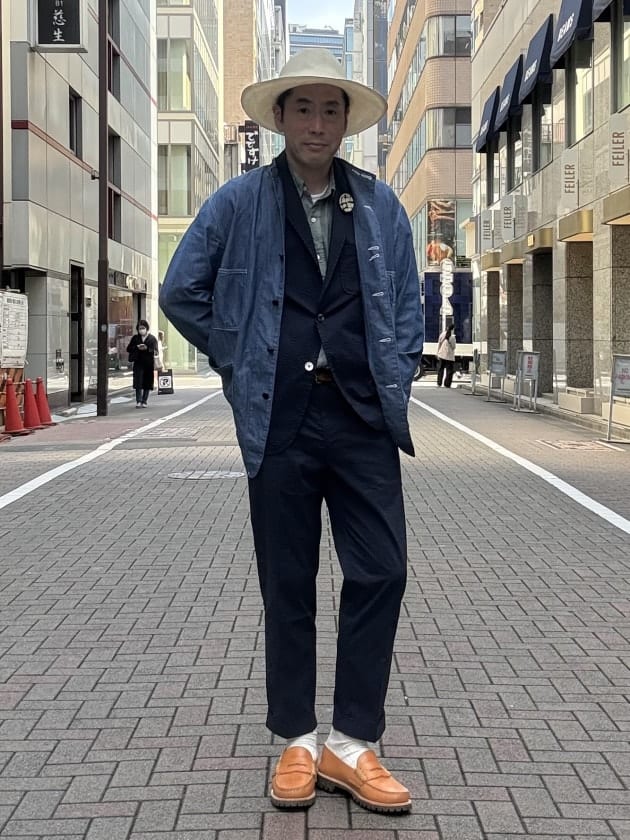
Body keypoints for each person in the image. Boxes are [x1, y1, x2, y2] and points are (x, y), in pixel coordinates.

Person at [159, 48, 423, 814]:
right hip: (279, 420)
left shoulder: (380, 205)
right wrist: (241, 355)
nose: (316, 124)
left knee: (382, 571)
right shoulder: (238, 202)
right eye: (302, 108)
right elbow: (181, 291)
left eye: (330, 110)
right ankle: (299, 741)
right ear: (279, 118)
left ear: (345, 122)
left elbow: (406, 304)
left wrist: (395, 370)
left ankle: (354, 742)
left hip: (363, 417)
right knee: (288, 582)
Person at [126, 320, 158, 407]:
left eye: (143, 328)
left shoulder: (152, 338)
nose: (141, 330)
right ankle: (138, 401)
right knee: (138, 382)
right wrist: (136, 347)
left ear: (147, 328)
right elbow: (128, 348)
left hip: (148, 363)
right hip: (138, 362)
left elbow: (155, 350)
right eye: (140, 329)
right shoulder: (135, 338)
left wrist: (147, 348)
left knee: (147, 382)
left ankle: (144, 401)